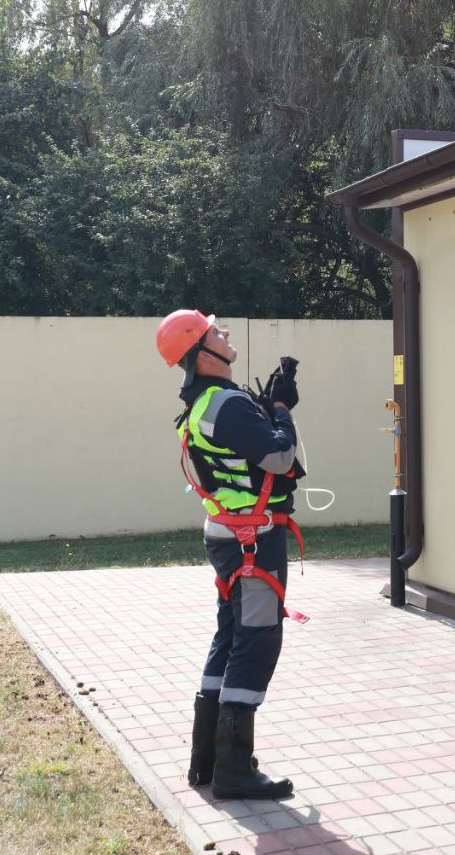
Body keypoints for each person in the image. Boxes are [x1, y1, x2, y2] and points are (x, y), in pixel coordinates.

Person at [156, 309, 304, 801]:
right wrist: (281, 408)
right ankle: (234, 770)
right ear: (201, 353)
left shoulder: (203, 403)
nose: (224, 333)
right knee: (256, 640)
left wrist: (266, 411)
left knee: (231, 636)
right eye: (214, 331)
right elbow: (280, 457)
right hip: (253, 539)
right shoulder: (226, 404)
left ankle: (207, 759)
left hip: (228, 535)